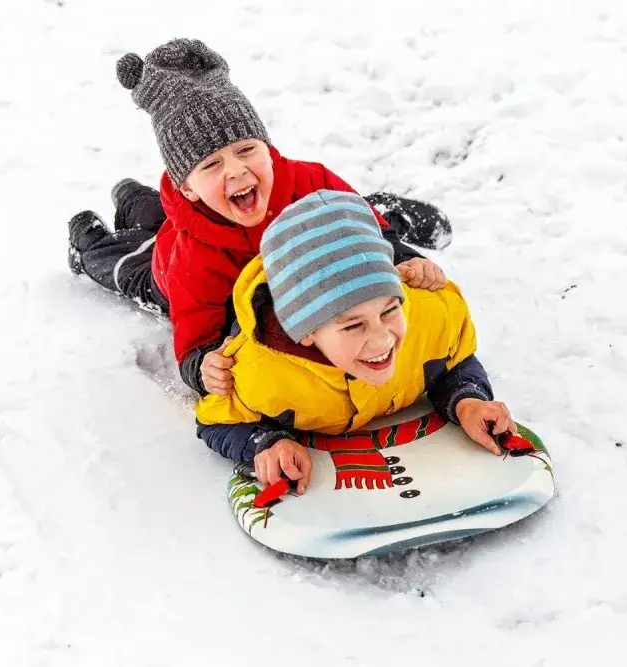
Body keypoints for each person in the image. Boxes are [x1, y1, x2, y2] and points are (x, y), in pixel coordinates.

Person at [67, 38, 451, 397]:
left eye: (246, 149)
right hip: (163, 268)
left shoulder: (311, 182)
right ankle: (90, 240)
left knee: (158, 213)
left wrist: (402, 259)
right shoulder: (192, 256)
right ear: (187, 187)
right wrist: (203, 367)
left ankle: (131, 195)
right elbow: (194, 341)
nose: (235, 170)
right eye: (212, 164)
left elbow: (366, 234)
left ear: (267, 148)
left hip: (241, 231)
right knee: (133, 260)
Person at [195, 190, 515, 493]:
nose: (381, 340)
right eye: (353, 327)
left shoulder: (428, 314)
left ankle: (385, 213)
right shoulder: (260, 374)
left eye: (390, 310)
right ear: (305, 333)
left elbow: (451, 358)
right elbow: (215, 421)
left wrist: (467, 401)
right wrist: (265, 443)